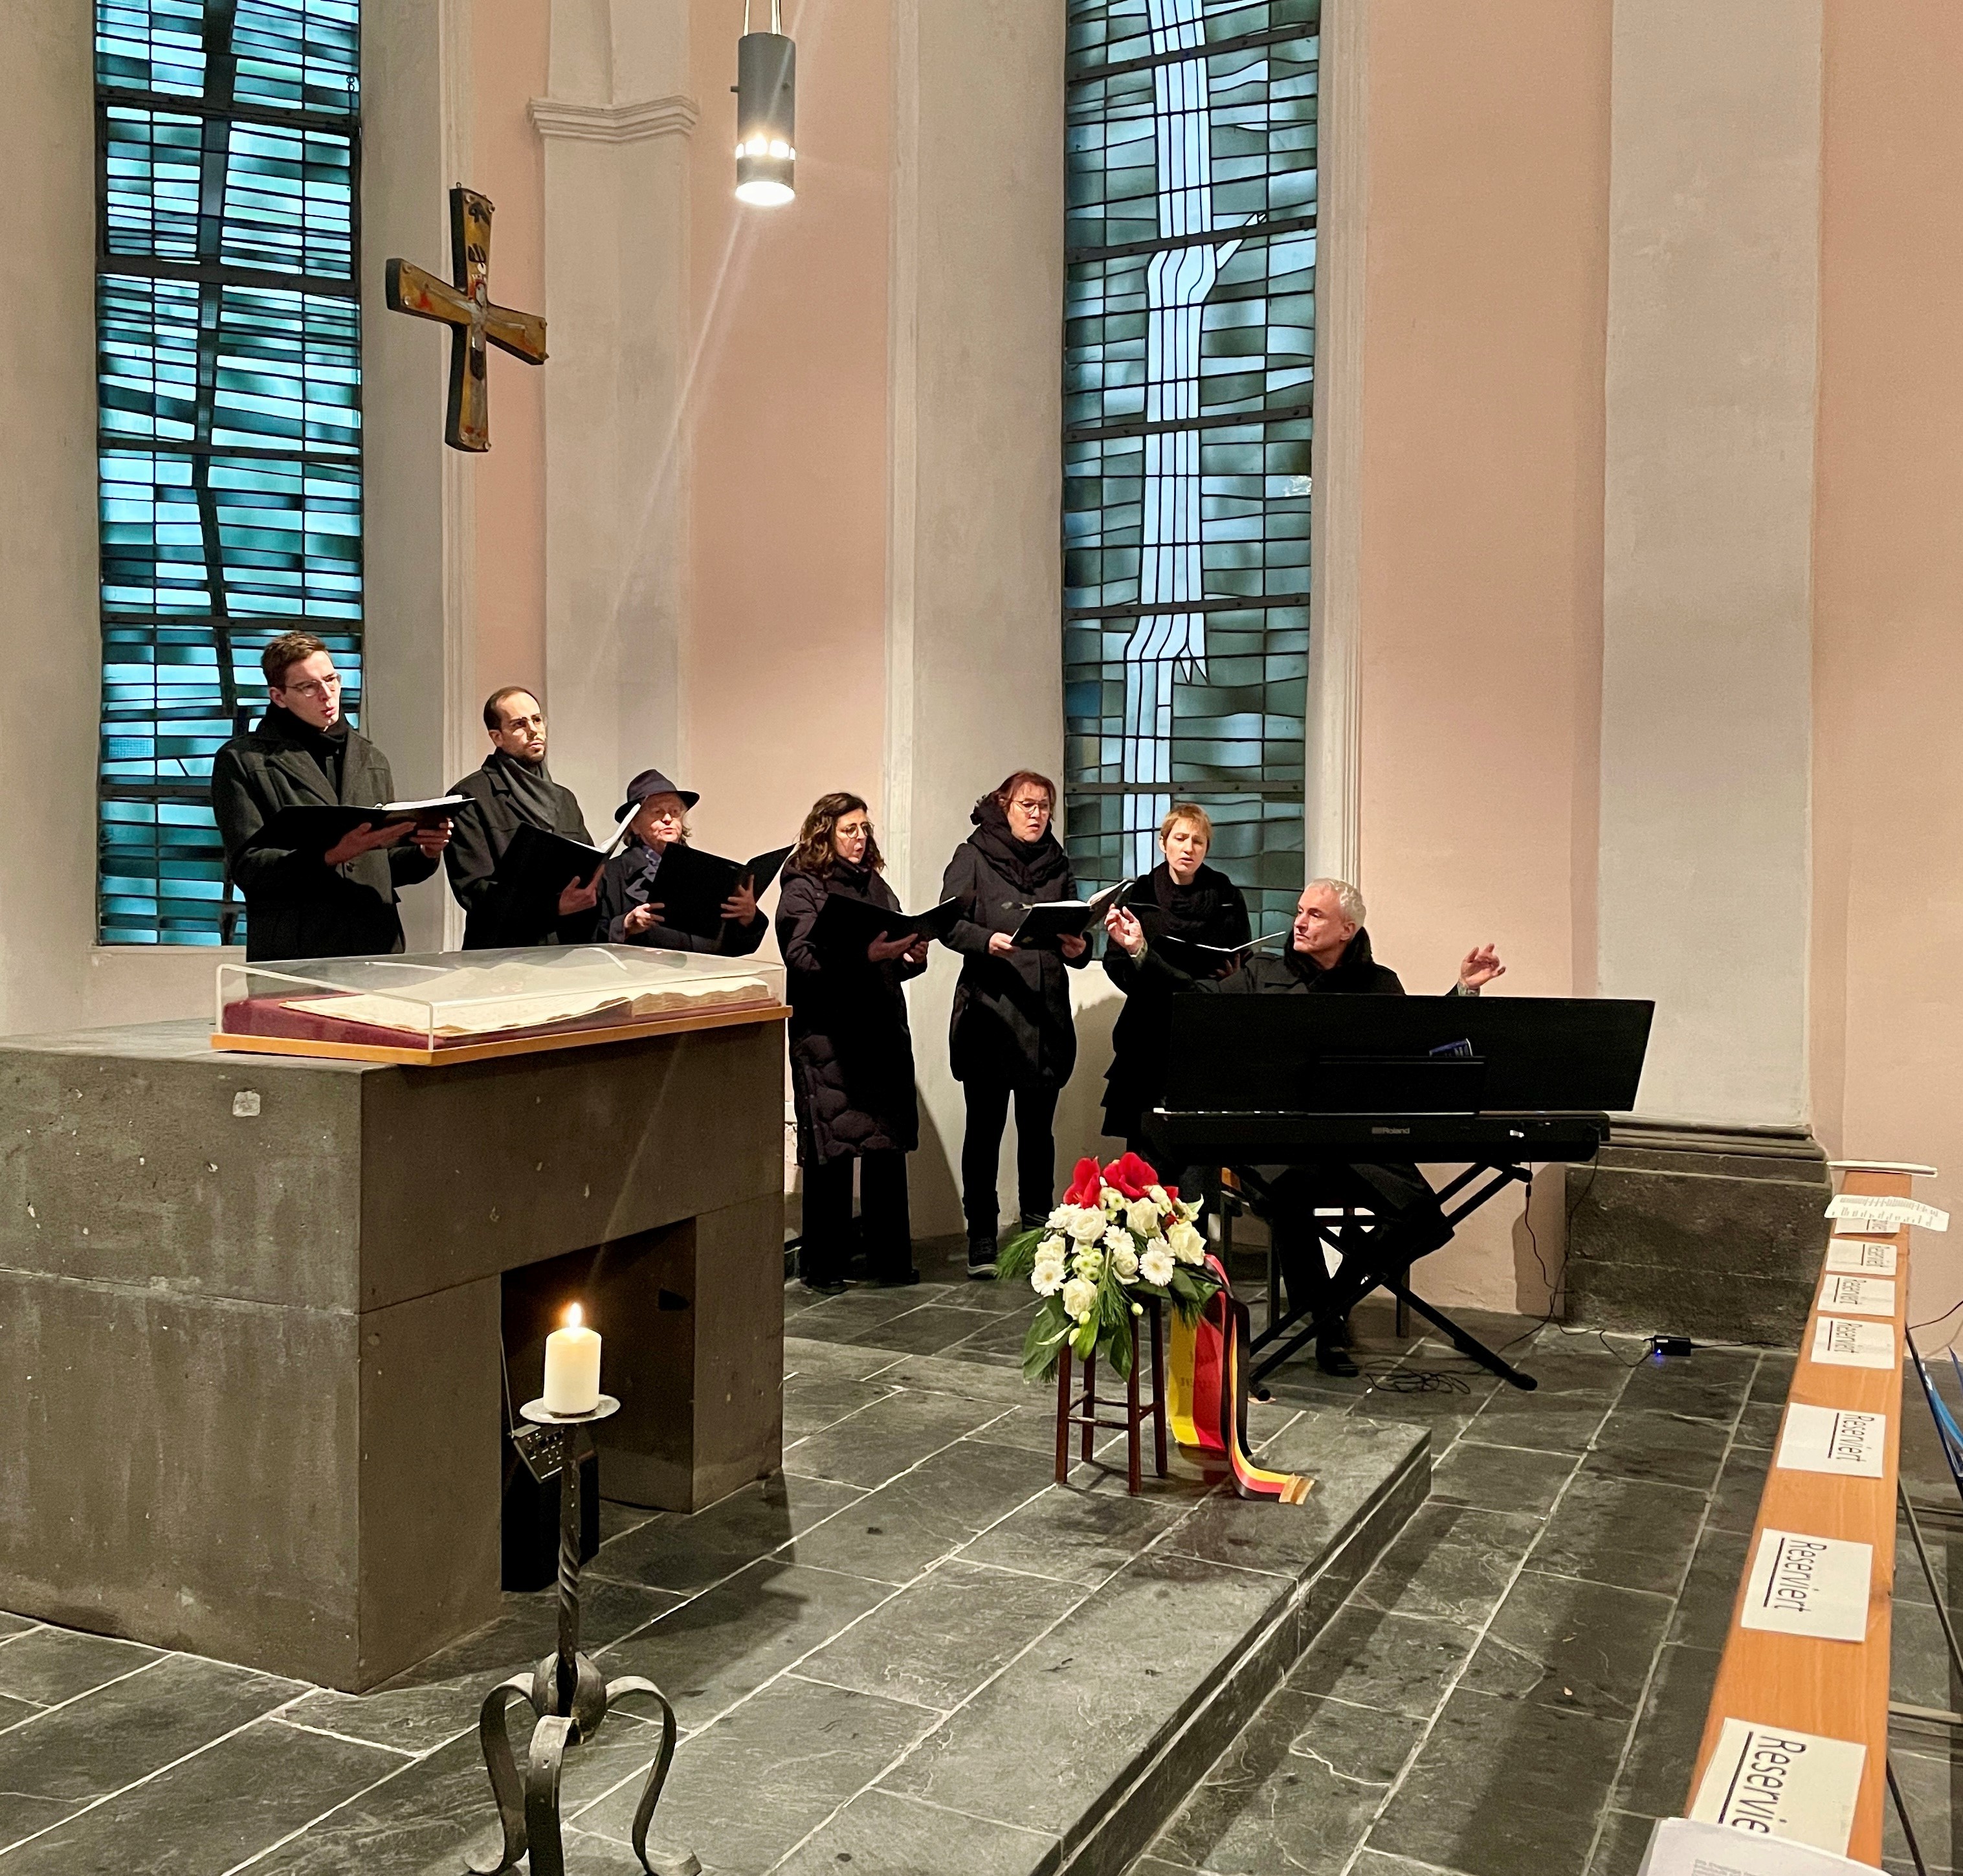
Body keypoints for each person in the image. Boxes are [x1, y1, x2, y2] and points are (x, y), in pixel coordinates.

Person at [1107, 876, 1505, 1374]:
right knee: (1286, 1203)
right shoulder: (1260, 974)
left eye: (1314, 915)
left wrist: (1463, 990)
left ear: (1347, 928)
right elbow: (1194, 996)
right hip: (1283, 1142)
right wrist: (1141, 950)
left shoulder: (1378, 983)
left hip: (1360, 1141)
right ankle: (1328, 1329)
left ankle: (1328, 1309)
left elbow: (1419, 1044)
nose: (1298, 921)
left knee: (1420, 1218)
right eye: (1298, 911)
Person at [211, 631, 451, 963]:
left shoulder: (371, 758)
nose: (328, 695)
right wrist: (330, 855)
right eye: (309, 687)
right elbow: (249, 868)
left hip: (375, 943)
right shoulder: (243, 760)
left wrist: (425, 850)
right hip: (297, 948)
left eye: (331, 680)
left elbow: (383, 867)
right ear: (278, 697)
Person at [775, 792, 930, 1293]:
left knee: (886, 1149)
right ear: (824, 833)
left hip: (880, 1031)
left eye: (864, 829)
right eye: (849, 830)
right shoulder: (803, 887)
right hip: (829, 1037)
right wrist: (866, 954)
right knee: (833, 1150)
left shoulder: (876, 886)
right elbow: (800, 958)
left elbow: (889, 948)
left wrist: (910, 956)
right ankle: (825, 1266)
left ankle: (890, 1261)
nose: (860, 838)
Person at [941, 770, 1091, 1279]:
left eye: (1044, 806)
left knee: (1037, 1132)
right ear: (1004, 805)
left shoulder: (1057, 861)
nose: (1037, 814)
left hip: (1043, 1014)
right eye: (1027, 804)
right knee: (984, 1130)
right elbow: (949, 924)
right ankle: (981, 1236)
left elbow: (1072, 927)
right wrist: (985, 941)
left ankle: (1036, 1234)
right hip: (991, 1012)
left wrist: (1079, 947)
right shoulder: (973, 855)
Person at [1100, 803, 1250, 1190]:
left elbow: (1243, 959)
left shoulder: (1227, 896)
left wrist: (1231, 978)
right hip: (1149, 1032)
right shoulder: (1140, 894)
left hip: (1204, 1035)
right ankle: (1148, 1249)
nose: (1189, 847)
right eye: (1180, 838)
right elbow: (1115, 962)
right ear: (1164, 843)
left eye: (1198, 841)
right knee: (1146, 1163)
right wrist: (1144, 969)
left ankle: (1196, 1247)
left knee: (1198, 1161)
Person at [444, 687, 601, 950]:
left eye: (537, 720)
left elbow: (586, 865)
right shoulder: (470, 797)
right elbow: (473, 890)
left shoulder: (564, 799)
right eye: (519, 724)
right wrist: (552, 907)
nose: (533, 730)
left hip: (567, 949)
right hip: (503, 952)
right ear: (497, 737)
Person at [595, 769, 768, 955]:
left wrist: (748, 918)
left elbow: (736, 946)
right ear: (634, 825)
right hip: (647, 980)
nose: (668, 819)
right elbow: (587, 940)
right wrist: (626, 925)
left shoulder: (706, 869)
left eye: (675, 812)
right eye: (657, 812)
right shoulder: (610, 874)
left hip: (706, 977)